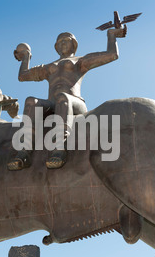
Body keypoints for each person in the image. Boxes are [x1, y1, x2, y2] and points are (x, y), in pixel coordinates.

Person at [8, 27, 127, 171]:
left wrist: (111, 36)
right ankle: (24, 152)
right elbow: (23, 76)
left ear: (74, 44)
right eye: (59, 42)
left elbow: (112, 54)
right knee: (31, 101)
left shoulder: (80, 61)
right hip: (52, 104)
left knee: (63, 98)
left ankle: (59, 147)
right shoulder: (48, 67)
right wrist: (26, 56)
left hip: (74, 103)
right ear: (56, 47)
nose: (62, 43)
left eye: (66, 40)